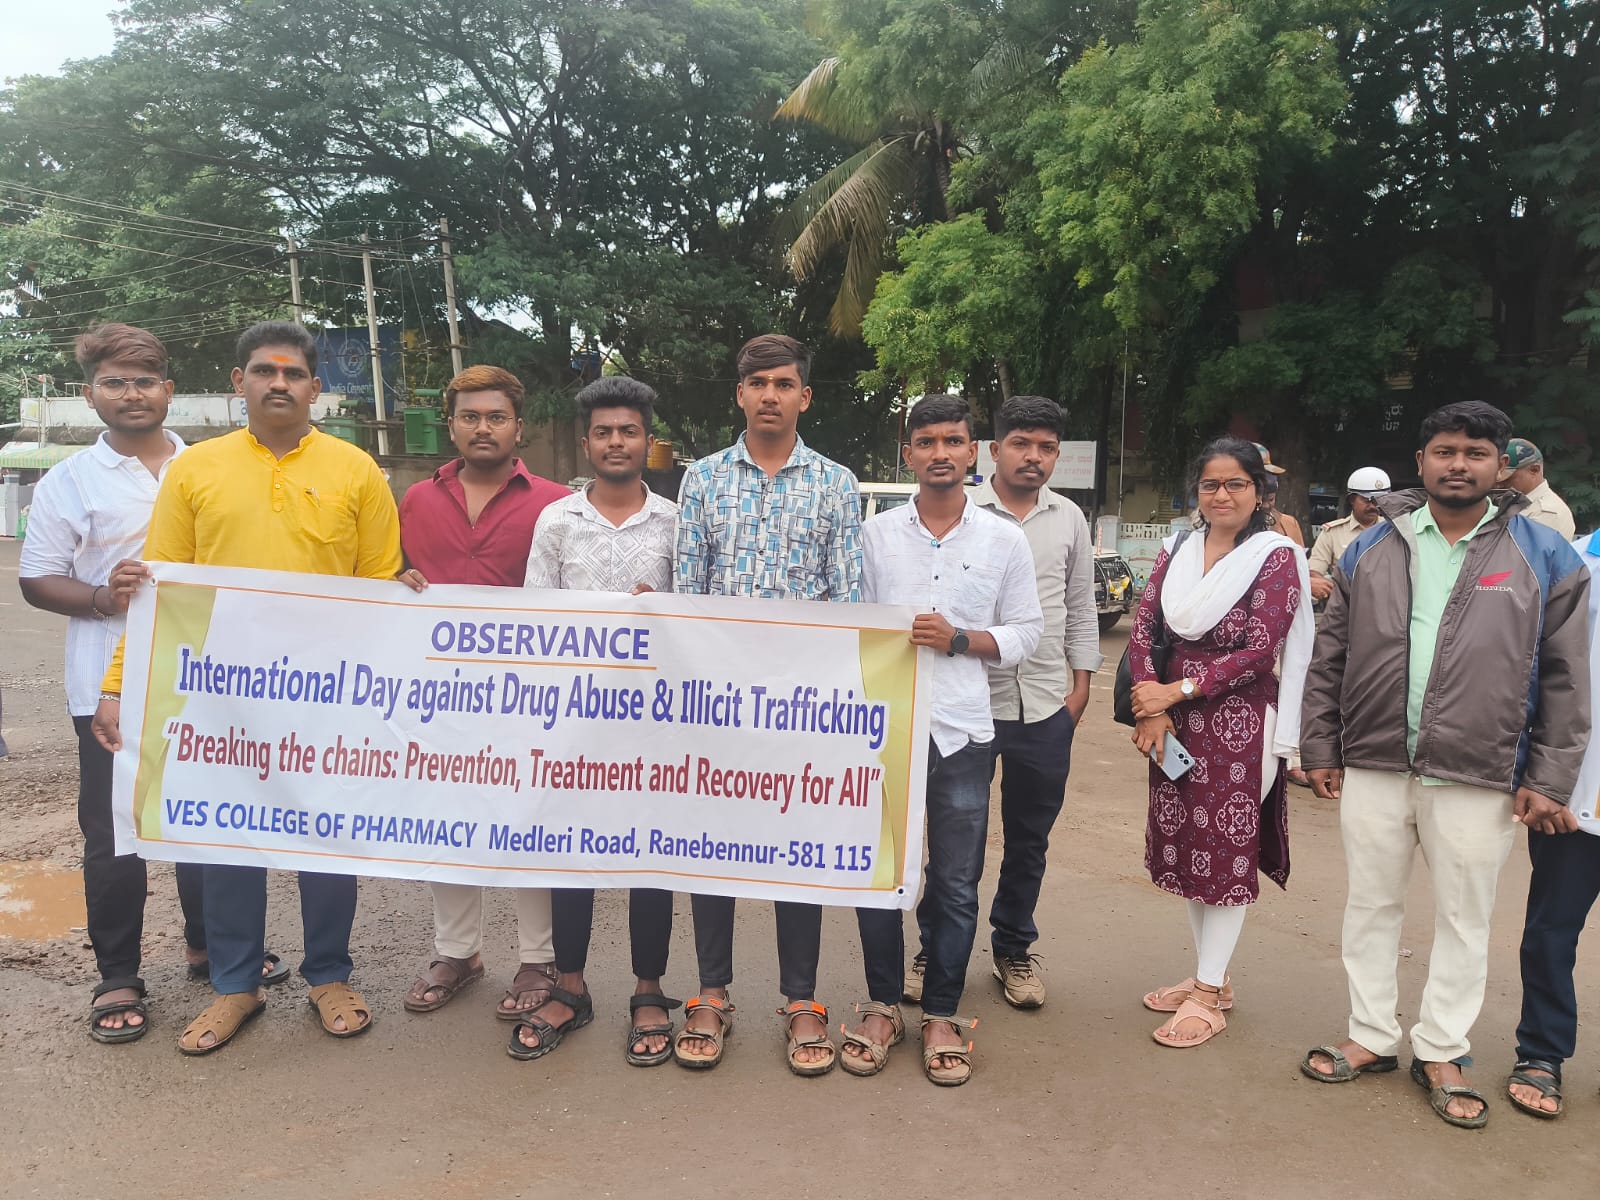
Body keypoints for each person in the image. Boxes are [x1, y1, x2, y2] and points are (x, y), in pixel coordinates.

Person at [92, 320, 406, 1055]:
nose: (279, 383)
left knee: (329, 839)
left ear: (315, 388)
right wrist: (119, 685)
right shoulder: (195, 471)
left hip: (328, 696)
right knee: (227, 838)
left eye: (294, 373)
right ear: (239, 383)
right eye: (264, 371)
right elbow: (160, 591)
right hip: (222, 697)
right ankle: (235, 984)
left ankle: (329, 974)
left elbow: (380, 590)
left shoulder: (358, 470)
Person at [1298, 401, 1590, 1129]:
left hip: (1479, 770)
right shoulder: (1372, 546)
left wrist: (1549, 777)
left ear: (1502, 467)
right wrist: (1319, 745)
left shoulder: (1544, 553)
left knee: (1465, 917)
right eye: (1445, 451)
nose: (1459, 464)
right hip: (1375, 760)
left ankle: (1442, 1048)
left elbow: (1566, 677)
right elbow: (1330, 656)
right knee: (1370, 904)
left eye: (1476, 453)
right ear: (1421, 461)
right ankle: (1371, 1034)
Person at [19, 323, 288, 1042]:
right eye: (114, 382)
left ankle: (211, 949)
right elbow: (37, 580)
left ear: (169, 390)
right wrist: (103, 597)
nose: (131, 394)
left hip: (211, 677)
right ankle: (118, 975)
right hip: (107, 684)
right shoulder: (70, 481)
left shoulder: (217, 466)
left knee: (207, 819)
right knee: (114, 832)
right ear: (90, 395)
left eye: (144, 381)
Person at [672, 333, 863, 1075]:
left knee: (796, 849)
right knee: (712, 849)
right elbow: (689, 596)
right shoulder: (702, 480)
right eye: (758, 383)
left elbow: (848, 602)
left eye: (784, 383)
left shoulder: (836, 484)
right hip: (718, 704)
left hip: (801, 708)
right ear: (740, 394)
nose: (771, 395)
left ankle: (802, 1000)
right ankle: (711, 994)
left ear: (804, 397)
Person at [842, 394, 1042, 1085]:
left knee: (955, 881)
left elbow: (1027, 633)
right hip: (882, 730)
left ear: (973, 453)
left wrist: (960, 639)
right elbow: (848, 625)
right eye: (925, 442)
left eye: (953, 441)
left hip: (963, 732)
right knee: (879, 874)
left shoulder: (1003, 540)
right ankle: (881, 1006)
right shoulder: (874, 536)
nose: (939, 454)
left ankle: (943, 1013)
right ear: (908, 455)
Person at [509, 375, 681, 1064]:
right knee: (570, 851)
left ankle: (649, 988)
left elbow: (698, 624)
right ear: (586, 444)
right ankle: (570, 986)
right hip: (574, 718)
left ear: (648, 441)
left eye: (629, 431)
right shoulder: (557, 522)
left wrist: (660, 610)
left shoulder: (675, 523)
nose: (616, 442)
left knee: (651, 854)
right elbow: (535, 618)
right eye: (604, 432)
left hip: (654, 722)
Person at [394, 365, 569, 1023]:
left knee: (529, 819)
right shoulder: (417, 500)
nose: (483, 428)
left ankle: (539, 958)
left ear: (518, 428)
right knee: (447, 814)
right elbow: (390, 576)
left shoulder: (555, 504)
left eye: (497, 417)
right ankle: (457, 952)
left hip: (530, 694)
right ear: (452, 425)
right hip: (439, 692)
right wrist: (396, 580)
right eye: (470, 416)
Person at [1127, 437, 1313, 1049]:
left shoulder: (1275, 557)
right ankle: (1213, 975)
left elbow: (1260, 649)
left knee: (1226, 848)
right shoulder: (1177, 548)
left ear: (1260, 492)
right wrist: (1152, 707)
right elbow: (1143, 628)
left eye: (1236, 484)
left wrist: (1175, 691)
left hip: (1240, 725)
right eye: (1211, 484)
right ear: (1197, 492)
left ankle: (1208, 993)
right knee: (1189, 847)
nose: (1222, 495)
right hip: (1171, 721)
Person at [918, 393, 1098, 1011]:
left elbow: (1080, 607)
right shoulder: (962, 512)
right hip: (966, 707)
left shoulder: (1069, 518)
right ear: (992, 451)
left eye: (1047, 448)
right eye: (1021, 444)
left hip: (1044, 704)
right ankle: (933, 950)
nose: (1033, 457)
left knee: (1028, 840)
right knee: (953, 843)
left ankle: (1013, 949)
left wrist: (1081, 686)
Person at [1506, 526, 1600, 1120]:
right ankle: (1542, 1052)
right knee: (1551, 932)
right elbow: (1535, 671)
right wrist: (1545, 777)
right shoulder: (1574, 561)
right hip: (1576, 794)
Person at [1307, 467, 1391, 604]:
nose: (1373, 506)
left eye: (1378, 500)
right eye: (1367, 500)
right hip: (1347, 606)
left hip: (1386, 606)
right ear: (1352, 499)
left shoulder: (1393, 530)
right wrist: (1338, 593)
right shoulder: (1333, 533)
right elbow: (1314, 572)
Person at [1501, 437, 1576, 541]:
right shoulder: (1514, 501)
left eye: (1507, 478)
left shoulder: (1548, 512)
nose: (1499, 483)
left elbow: (1520, 549)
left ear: (1534, 470)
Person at [1254, 444, 1305, 548]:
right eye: (1261, 499)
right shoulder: (1224, 527)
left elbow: (1299, 556)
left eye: (1271, 499)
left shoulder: (1289, 524)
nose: (1266, 505)